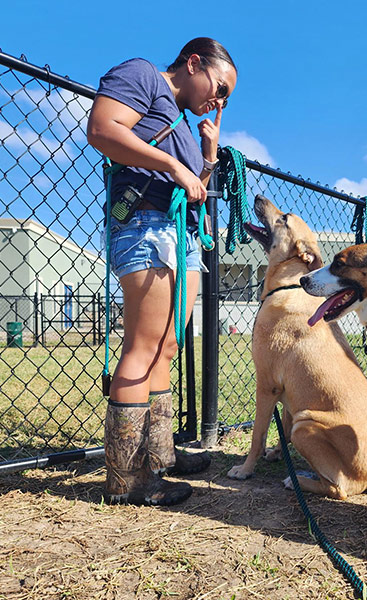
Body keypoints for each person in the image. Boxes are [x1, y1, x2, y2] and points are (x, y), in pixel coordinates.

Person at [87, 38, 237, 506]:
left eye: (227, 98)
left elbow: (194, 189)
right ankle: (127, 479)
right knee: (144, 344)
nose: (220, 101)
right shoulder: (143, 75)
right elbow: (102, 129)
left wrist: (206, 159)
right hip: (148, 226)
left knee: (167, 347)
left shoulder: (187, 130)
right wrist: (174, 162)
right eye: (220, 87)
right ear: (193, 63)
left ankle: (160, 455)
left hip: (182, 234)